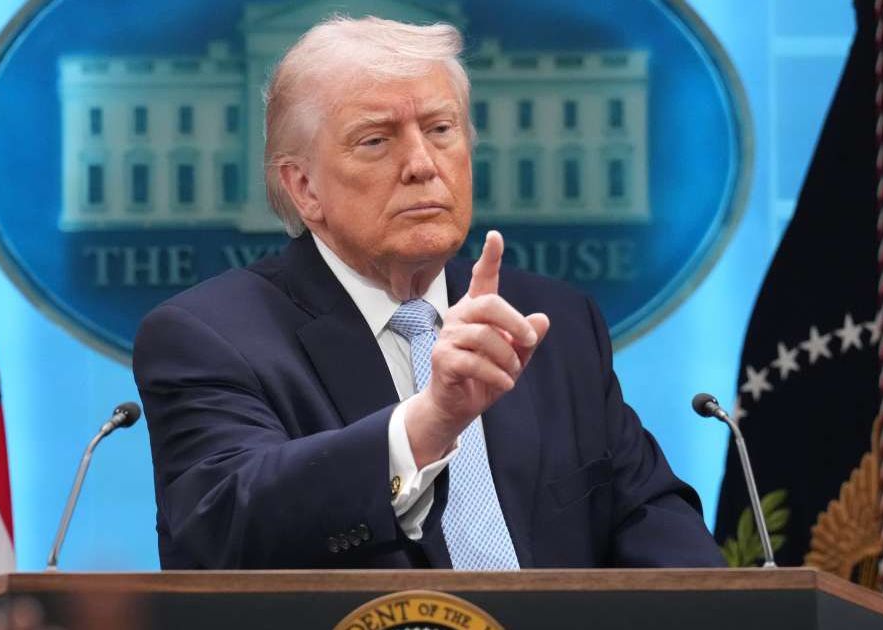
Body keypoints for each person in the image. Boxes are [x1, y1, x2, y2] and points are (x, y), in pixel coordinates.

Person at [133, 15, 724, 570]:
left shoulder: (550, 321)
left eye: (440, 130)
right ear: (304, 186)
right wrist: (429, 424)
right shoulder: (208, 336)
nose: (422, 163)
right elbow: (222, 526)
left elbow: (648, 514)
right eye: (375, 140)